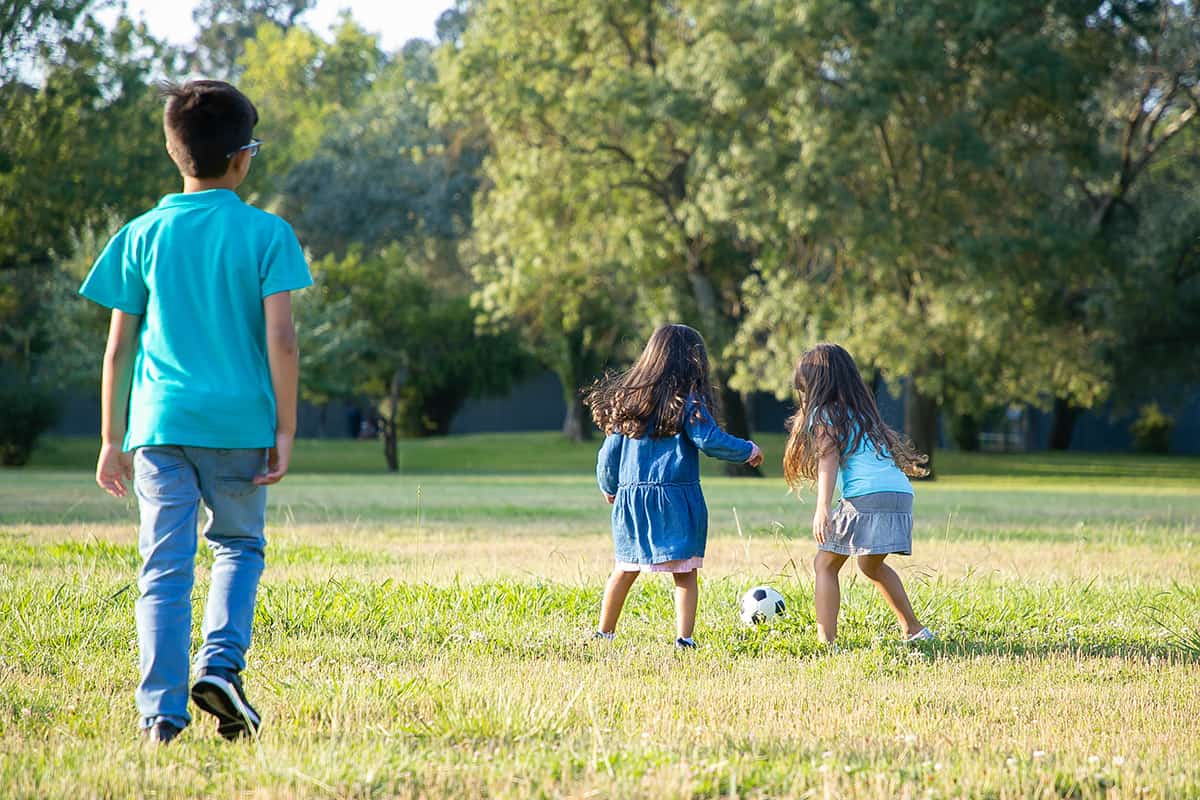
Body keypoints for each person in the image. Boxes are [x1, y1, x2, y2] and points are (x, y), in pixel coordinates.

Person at [79, 80, 312, 744]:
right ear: (242, 158)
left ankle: (161, 714)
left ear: (174, 152)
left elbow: (119, 346)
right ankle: (221, 666)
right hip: (240, 425)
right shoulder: (268, 233)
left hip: (159, 427)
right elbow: (283, 339)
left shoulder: (142, 235)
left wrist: (110, 437)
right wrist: (287, 428)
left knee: (164, 566)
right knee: (237, 545)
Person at [585, 324, 764, 649]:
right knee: (684, 573)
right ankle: (684, 638)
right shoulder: (688, 400)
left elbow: (608, 453)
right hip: (675, 500)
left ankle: (604, 634)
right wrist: (747, 450)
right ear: (691, 361)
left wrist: (608, 485)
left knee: (624, 569)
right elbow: (707, 439)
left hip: (632, 500)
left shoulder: (628, 399)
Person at [782, 343, 934, 646]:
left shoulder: (826, 414)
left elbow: (829, 458)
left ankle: (826, 642)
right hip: (900, 494)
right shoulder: (861, 414)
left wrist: (822, 507)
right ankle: (915, 630)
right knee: (870, 565)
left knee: (825, 564)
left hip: (867, 497)